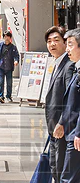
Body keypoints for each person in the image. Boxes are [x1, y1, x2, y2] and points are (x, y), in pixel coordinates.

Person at [46, 26, 76, 183]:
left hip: (63, 129)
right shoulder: (57, 63)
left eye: (56, 40)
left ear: (65, 43)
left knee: (61, 170)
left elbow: (70, 98)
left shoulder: (69, 65)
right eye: (49, 41)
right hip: (54, 129)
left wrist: (62, 122)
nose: (52, 44)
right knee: (55, 167)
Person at [55, 28, 80, 183]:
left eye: (70, 44)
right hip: (72, 132)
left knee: (67, 178)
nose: (67, 49)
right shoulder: (76, 68)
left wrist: (78, 132)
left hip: (75, 135)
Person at [0, 31, 21, 103]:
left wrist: (16, 61)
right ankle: (0, 96)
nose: (6, 38)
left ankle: (8, 96)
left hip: (9, 67)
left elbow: (16, 55)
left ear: (10, 38)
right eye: (5, 36)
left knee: (9, 83)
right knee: (0, 82)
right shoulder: (0, 46)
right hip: (1, 67)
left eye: (8, 36)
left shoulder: (13, 47)